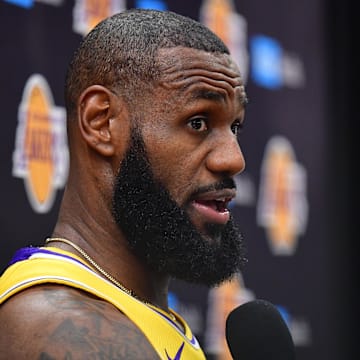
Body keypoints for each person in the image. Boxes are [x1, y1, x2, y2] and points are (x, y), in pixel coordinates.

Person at [0, 8, 248, 359]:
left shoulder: (139, 315)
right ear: (102, 123)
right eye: (198, 123)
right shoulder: (58, 324)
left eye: (235, 126)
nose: (234, 159)